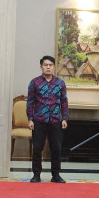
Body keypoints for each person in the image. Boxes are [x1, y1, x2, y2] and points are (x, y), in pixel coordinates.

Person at [26, 55, 68, 183]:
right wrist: (30, 119)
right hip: (39, 120)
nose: (48, 67)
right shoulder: (34, 82)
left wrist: (64, 118)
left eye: (50, 65)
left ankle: (56, 175)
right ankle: (36, 175)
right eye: (45, 65)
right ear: (41, 67)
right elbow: (30, 102)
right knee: (37, 148)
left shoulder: (60, 83)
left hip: (56, 120)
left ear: (54, 67)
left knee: (56, 148)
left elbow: (64, 102)